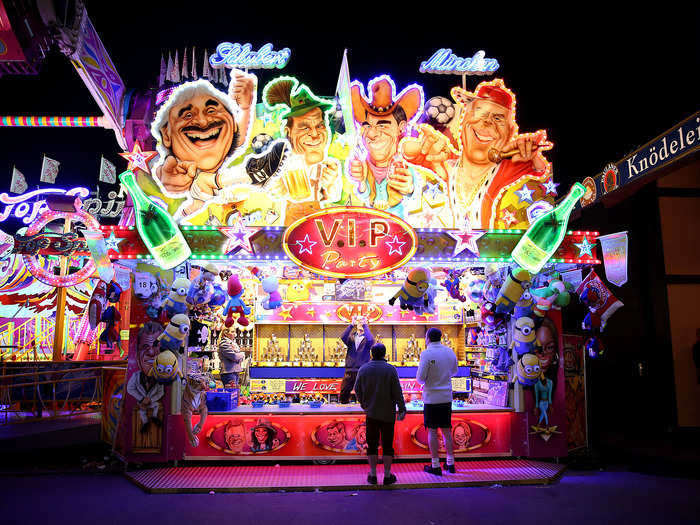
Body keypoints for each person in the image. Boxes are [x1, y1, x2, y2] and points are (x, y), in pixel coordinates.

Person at [402, 78, 553, 229]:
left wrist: (532, 155)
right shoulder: (444, 160)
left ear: (510, 132)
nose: (487, 122)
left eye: (498, 118)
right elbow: (406, 151)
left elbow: (541, 169)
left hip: (491, 250)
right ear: (464, 119)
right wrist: (422, 145)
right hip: (441, 248)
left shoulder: (507, 166)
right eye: (480, 113)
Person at [150, 71, 257, 217]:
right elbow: (158, 174)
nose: (203, 122)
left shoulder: (234, 152)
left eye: (211, 110)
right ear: (166, 134)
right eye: (187, 115)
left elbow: (239, 139)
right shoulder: (170, 170)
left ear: (232, 124)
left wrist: (246, 108)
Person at [263, 77, 343, 225]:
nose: (315, 135)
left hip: (320, 224)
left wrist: (331, 183)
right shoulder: (282, 164)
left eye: (320, 126)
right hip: (293, 224)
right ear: (289, 132)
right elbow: (273, 192)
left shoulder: (328, 165)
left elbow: (334, 196)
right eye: (305, 127)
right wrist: (277, 185)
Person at [348, 76, 421, 218]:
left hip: (398, 227)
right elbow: (363, 195)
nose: (372, 133)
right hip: (367, 227)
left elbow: (419, 195)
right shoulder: (363, 165)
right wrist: (361, 181)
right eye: (368, 125)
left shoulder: (405, 164)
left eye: (382, 125)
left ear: (401, 128)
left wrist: (410, 189)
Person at [354, 343, 406, 485]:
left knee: (372, 444)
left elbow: (356, 389)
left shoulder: (364, 369)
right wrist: (402, 408)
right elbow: (397, 391)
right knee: (388, 445)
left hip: (371, 413)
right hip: (388, 414)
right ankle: (387, 475)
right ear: (385, 354)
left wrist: (364, 404)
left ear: (371, 354)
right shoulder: (390, 369)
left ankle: (373, 474)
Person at [417, 327, 458, 475]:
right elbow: (454, 372)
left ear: (427, 338)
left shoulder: (426, 353)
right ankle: (450, 463)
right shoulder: (449, 351)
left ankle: (435, 465)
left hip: (431, 398)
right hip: (446, 397)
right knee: (447, 431)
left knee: (432, 432)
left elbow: (420, 378)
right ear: (440, 337)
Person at [126, 322, 165, 434]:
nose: (152, 352)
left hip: (151, 402)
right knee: (142, 411)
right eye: (145, 347)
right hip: (142, 403)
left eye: (156, 346)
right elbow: (130, 388)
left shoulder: (159, 378)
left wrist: (150, 400)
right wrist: (142, 399)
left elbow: (160, 392)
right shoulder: (136, 376)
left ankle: (153, 417)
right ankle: (145, 423)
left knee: (156, 407)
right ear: (137, 354)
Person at [339, 315, 374, 404]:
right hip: (350, 370)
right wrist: (351, 324)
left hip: (363, 370)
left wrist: (365, 325)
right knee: (344, 392)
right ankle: (343, 409)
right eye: (359, 322)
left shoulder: (367, 338)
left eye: (362, 322)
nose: (360, 323)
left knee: (365, 393)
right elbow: (343, 337)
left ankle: (365, 411)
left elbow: (371, 341)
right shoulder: (351, 337)